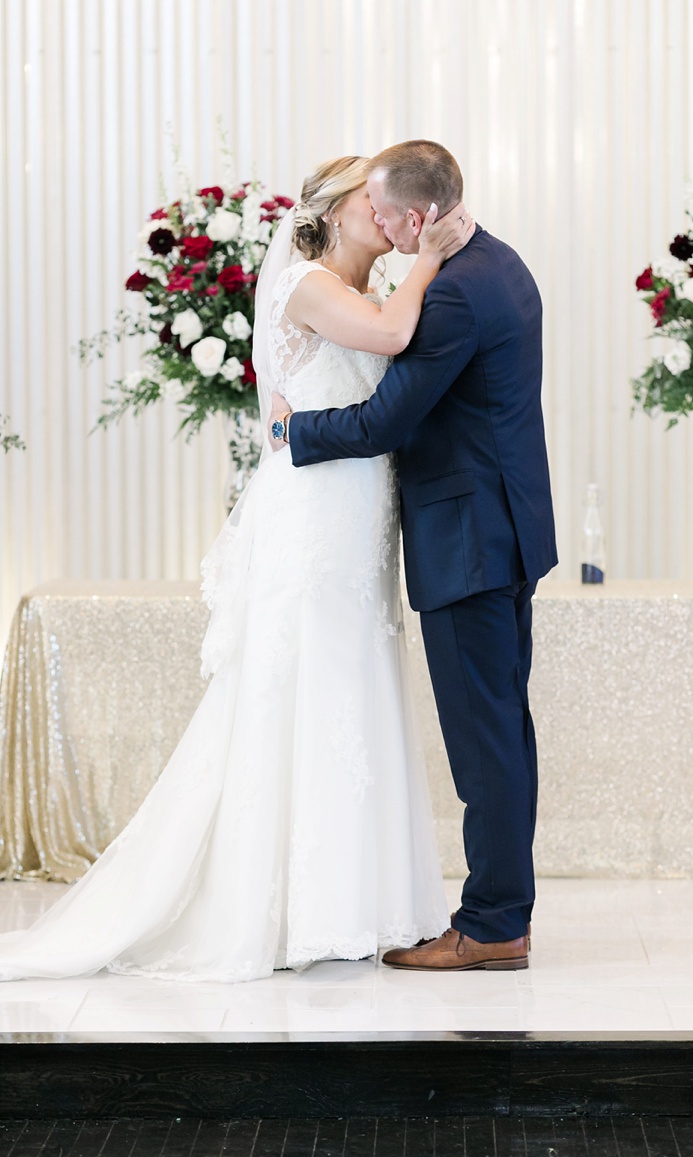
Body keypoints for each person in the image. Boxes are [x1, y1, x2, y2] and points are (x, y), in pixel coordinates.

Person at [0, 156, 473, 983]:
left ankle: (350, 903)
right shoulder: (307, 285)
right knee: (306, 680)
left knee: (353, 680)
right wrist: (432, 254)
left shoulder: (364, 291)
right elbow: (394, 340)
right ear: (332, 210)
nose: (384, 207)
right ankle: (285, 906)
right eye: (369, 195)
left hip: (362, 516)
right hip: (315, 517)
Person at [270, 140, 557, 973]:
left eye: (387, 213)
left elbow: (380, 424)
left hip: (468, 539)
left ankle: (493, 922)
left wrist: (293, 428)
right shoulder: (500, 263)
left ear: (421, 215)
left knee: (484, 739)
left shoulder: (454, 296)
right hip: (504, 527)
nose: (383, 229)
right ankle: (502, 910)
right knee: (503, 727)